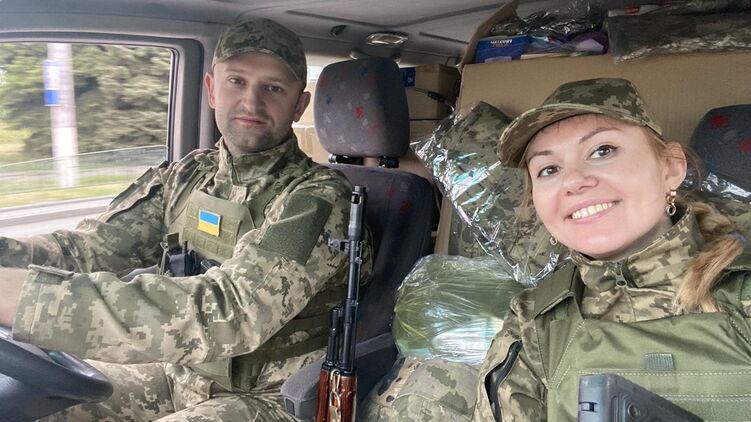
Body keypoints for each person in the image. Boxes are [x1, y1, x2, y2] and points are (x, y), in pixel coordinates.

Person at [0, 18, 371, 421]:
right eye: (237, 81)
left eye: (274, 88)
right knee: (40, 406)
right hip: (181, 373)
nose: (251, 102)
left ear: (299, 105)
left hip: (270, 397)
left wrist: (32, 301)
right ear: (212, 89)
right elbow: (89, 248)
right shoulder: (187, 175)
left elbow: (234, 311)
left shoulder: (319, 199)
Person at [471, 78, 751, 421]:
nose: (573, 181)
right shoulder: (534, 323)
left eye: (602, 151)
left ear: (671, 166)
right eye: (549, 169)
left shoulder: (743, 294)